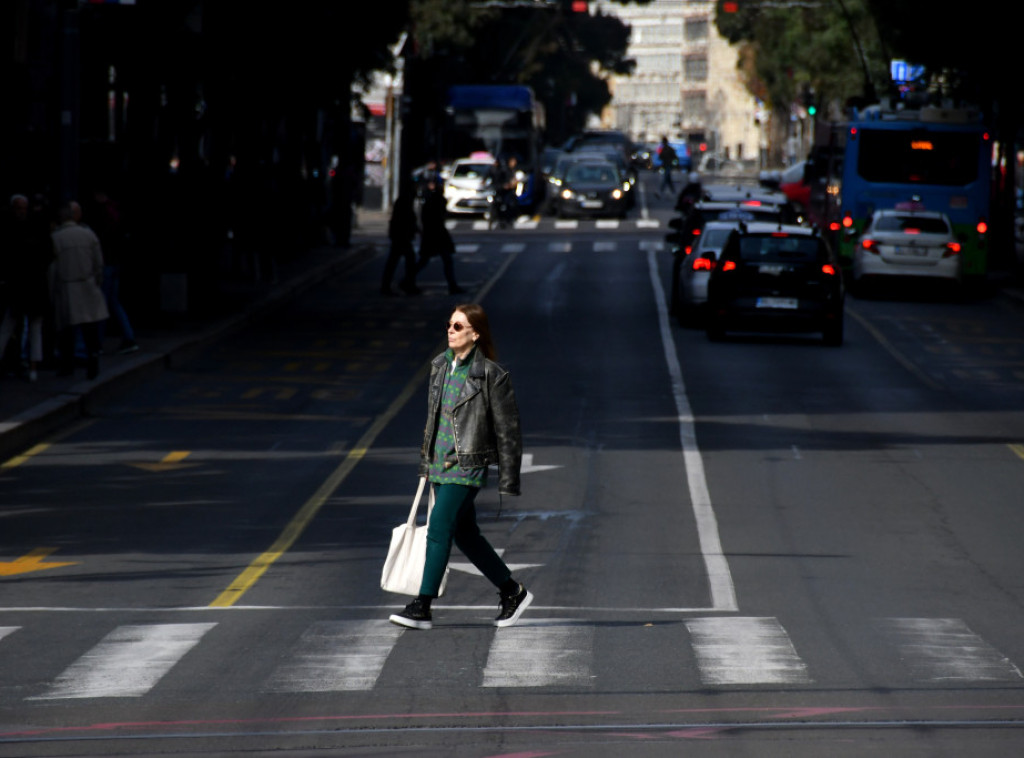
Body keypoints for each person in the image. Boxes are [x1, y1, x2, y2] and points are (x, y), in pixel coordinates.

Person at [389, 303, 533, 631]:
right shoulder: (440, 366)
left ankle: (422, 605)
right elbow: (434, 418)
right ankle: (513, 591)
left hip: (466, 465)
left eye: (458, 327)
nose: (450, 332)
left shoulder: (491, 376)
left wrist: (508, 480)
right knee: (466, 535)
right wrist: (426, 460)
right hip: (439, 463)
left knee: (439, 529)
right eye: (450, 326)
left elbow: (509, 430)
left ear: (475, 333)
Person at [50, 201, 108, 380]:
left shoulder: (56, 237)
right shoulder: (88, 234)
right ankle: (93, 362)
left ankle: (67, 366)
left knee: (67, 331)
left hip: (67, 286)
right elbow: (99, 262)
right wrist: (96, 280)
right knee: (89, 329)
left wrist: (52, 290)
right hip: (87, 284)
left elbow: (53, 268)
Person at [0, 194, 52, 381]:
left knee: (9, 325)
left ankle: (27, 365)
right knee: (33, 327)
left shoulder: (10, 230)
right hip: (34, 285)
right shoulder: (36, 230)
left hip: (18, 286)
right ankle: (33, 367)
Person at [83, 188, 138, 353]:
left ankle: (98, 343)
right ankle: (128, 337)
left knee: (103, 303)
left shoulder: (102, 214)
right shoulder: (115, 212)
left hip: (106, 261)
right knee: (113, 302)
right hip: (115, 261)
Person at [415, 179, 464, 295]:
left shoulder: (431, 200)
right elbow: (435, 218)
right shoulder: (435, 200)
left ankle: (452, 285)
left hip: (433, 234)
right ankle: (407, 280)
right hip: (436, 234)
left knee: (436, 259)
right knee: (436, 259)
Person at [380, 191, 420, 296]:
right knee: (401, 261)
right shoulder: (405, 202)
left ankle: (390, 285)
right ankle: (407, 285)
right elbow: (407, 219)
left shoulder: (403, 201)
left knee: (396, 261)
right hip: (401, 236)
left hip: (400, 236)